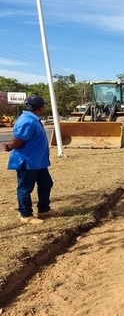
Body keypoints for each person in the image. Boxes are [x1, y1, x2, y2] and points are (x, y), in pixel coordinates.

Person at [2, 95, 60, 224]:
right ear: (41, 108)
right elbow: (18, 141)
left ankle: (44, 210)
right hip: (28, 162)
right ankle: (26, 214)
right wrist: (10, 146)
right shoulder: (27, 121)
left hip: (38, 162)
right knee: (25, 188)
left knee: (46, 183)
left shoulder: (32, 119)